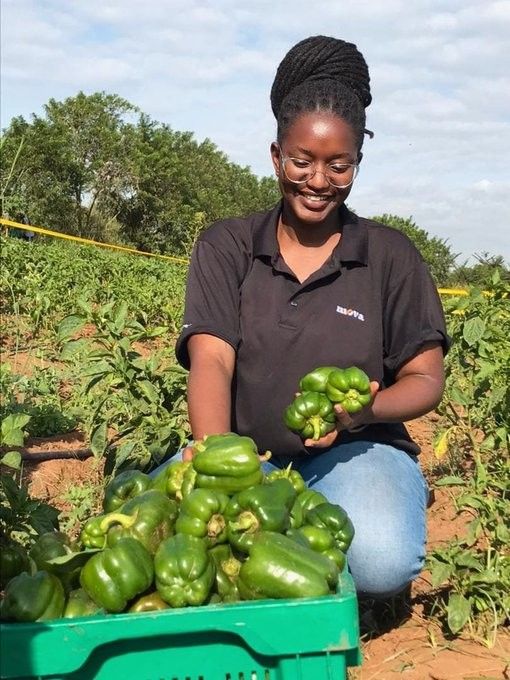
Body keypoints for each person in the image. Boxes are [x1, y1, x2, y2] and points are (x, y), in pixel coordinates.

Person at [171, 36, 450, 599]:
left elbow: (426, 380)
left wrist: (364, 411)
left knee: (378, 559)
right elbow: (211, 360)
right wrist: (217, 462)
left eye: (338, 165)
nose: (318, 180)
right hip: (246, 454)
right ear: (276, 156)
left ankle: (381, 493)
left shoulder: (390, 256)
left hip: (355, 451)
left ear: (357, 164)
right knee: (161, 533)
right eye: (302, 161)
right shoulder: (227, 246)